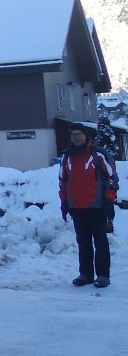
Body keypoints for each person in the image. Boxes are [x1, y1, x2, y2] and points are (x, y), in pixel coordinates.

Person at [58, 122, 118, 288]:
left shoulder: (98, 155)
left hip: (97, 206)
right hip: (76, 207)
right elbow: (63, 181)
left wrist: (109, 200)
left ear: (86, 136)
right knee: (83, 242)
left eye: (79, 134)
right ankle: (86, 274)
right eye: (73, 135)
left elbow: (111, 178)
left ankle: (103, 275)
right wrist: (64, 202)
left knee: (100, 242)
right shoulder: (66, 157)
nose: (76, 137)